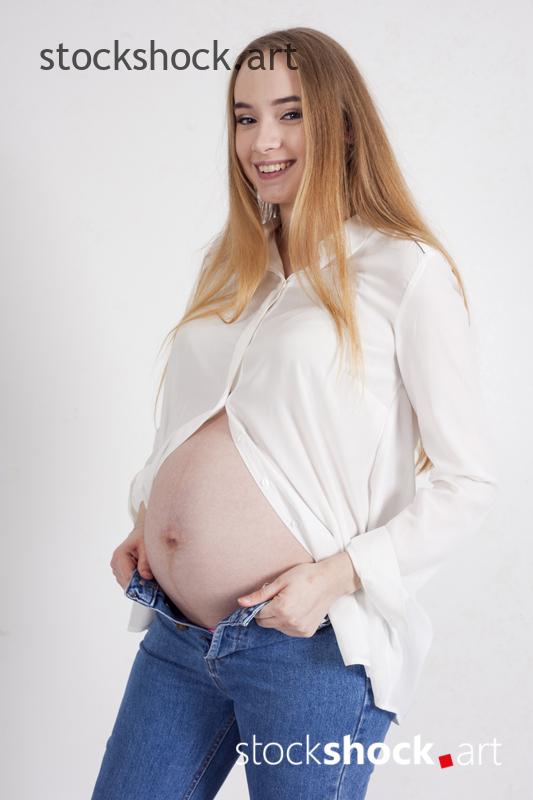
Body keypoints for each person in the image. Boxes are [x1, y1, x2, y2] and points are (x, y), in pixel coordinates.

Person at [91, 27, 498, 800]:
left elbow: (467, 482)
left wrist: (335, 577)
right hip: (177, 637)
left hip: (307, 647)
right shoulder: (231, 261)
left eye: (289, 114)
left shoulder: (403, 270)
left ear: (340, 125)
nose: (263, 141)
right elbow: (198, 422)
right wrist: (149, 521)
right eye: (244, 118)